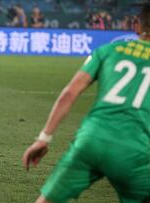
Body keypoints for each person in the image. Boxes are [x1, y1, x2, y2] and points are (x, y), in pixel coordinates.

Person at [22, 3, 150, 203]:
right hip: (134, 150)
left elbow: (69, 93)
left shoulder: (108, 50)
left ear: (136, 26)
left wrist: (43, 139)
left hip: (90, 141)